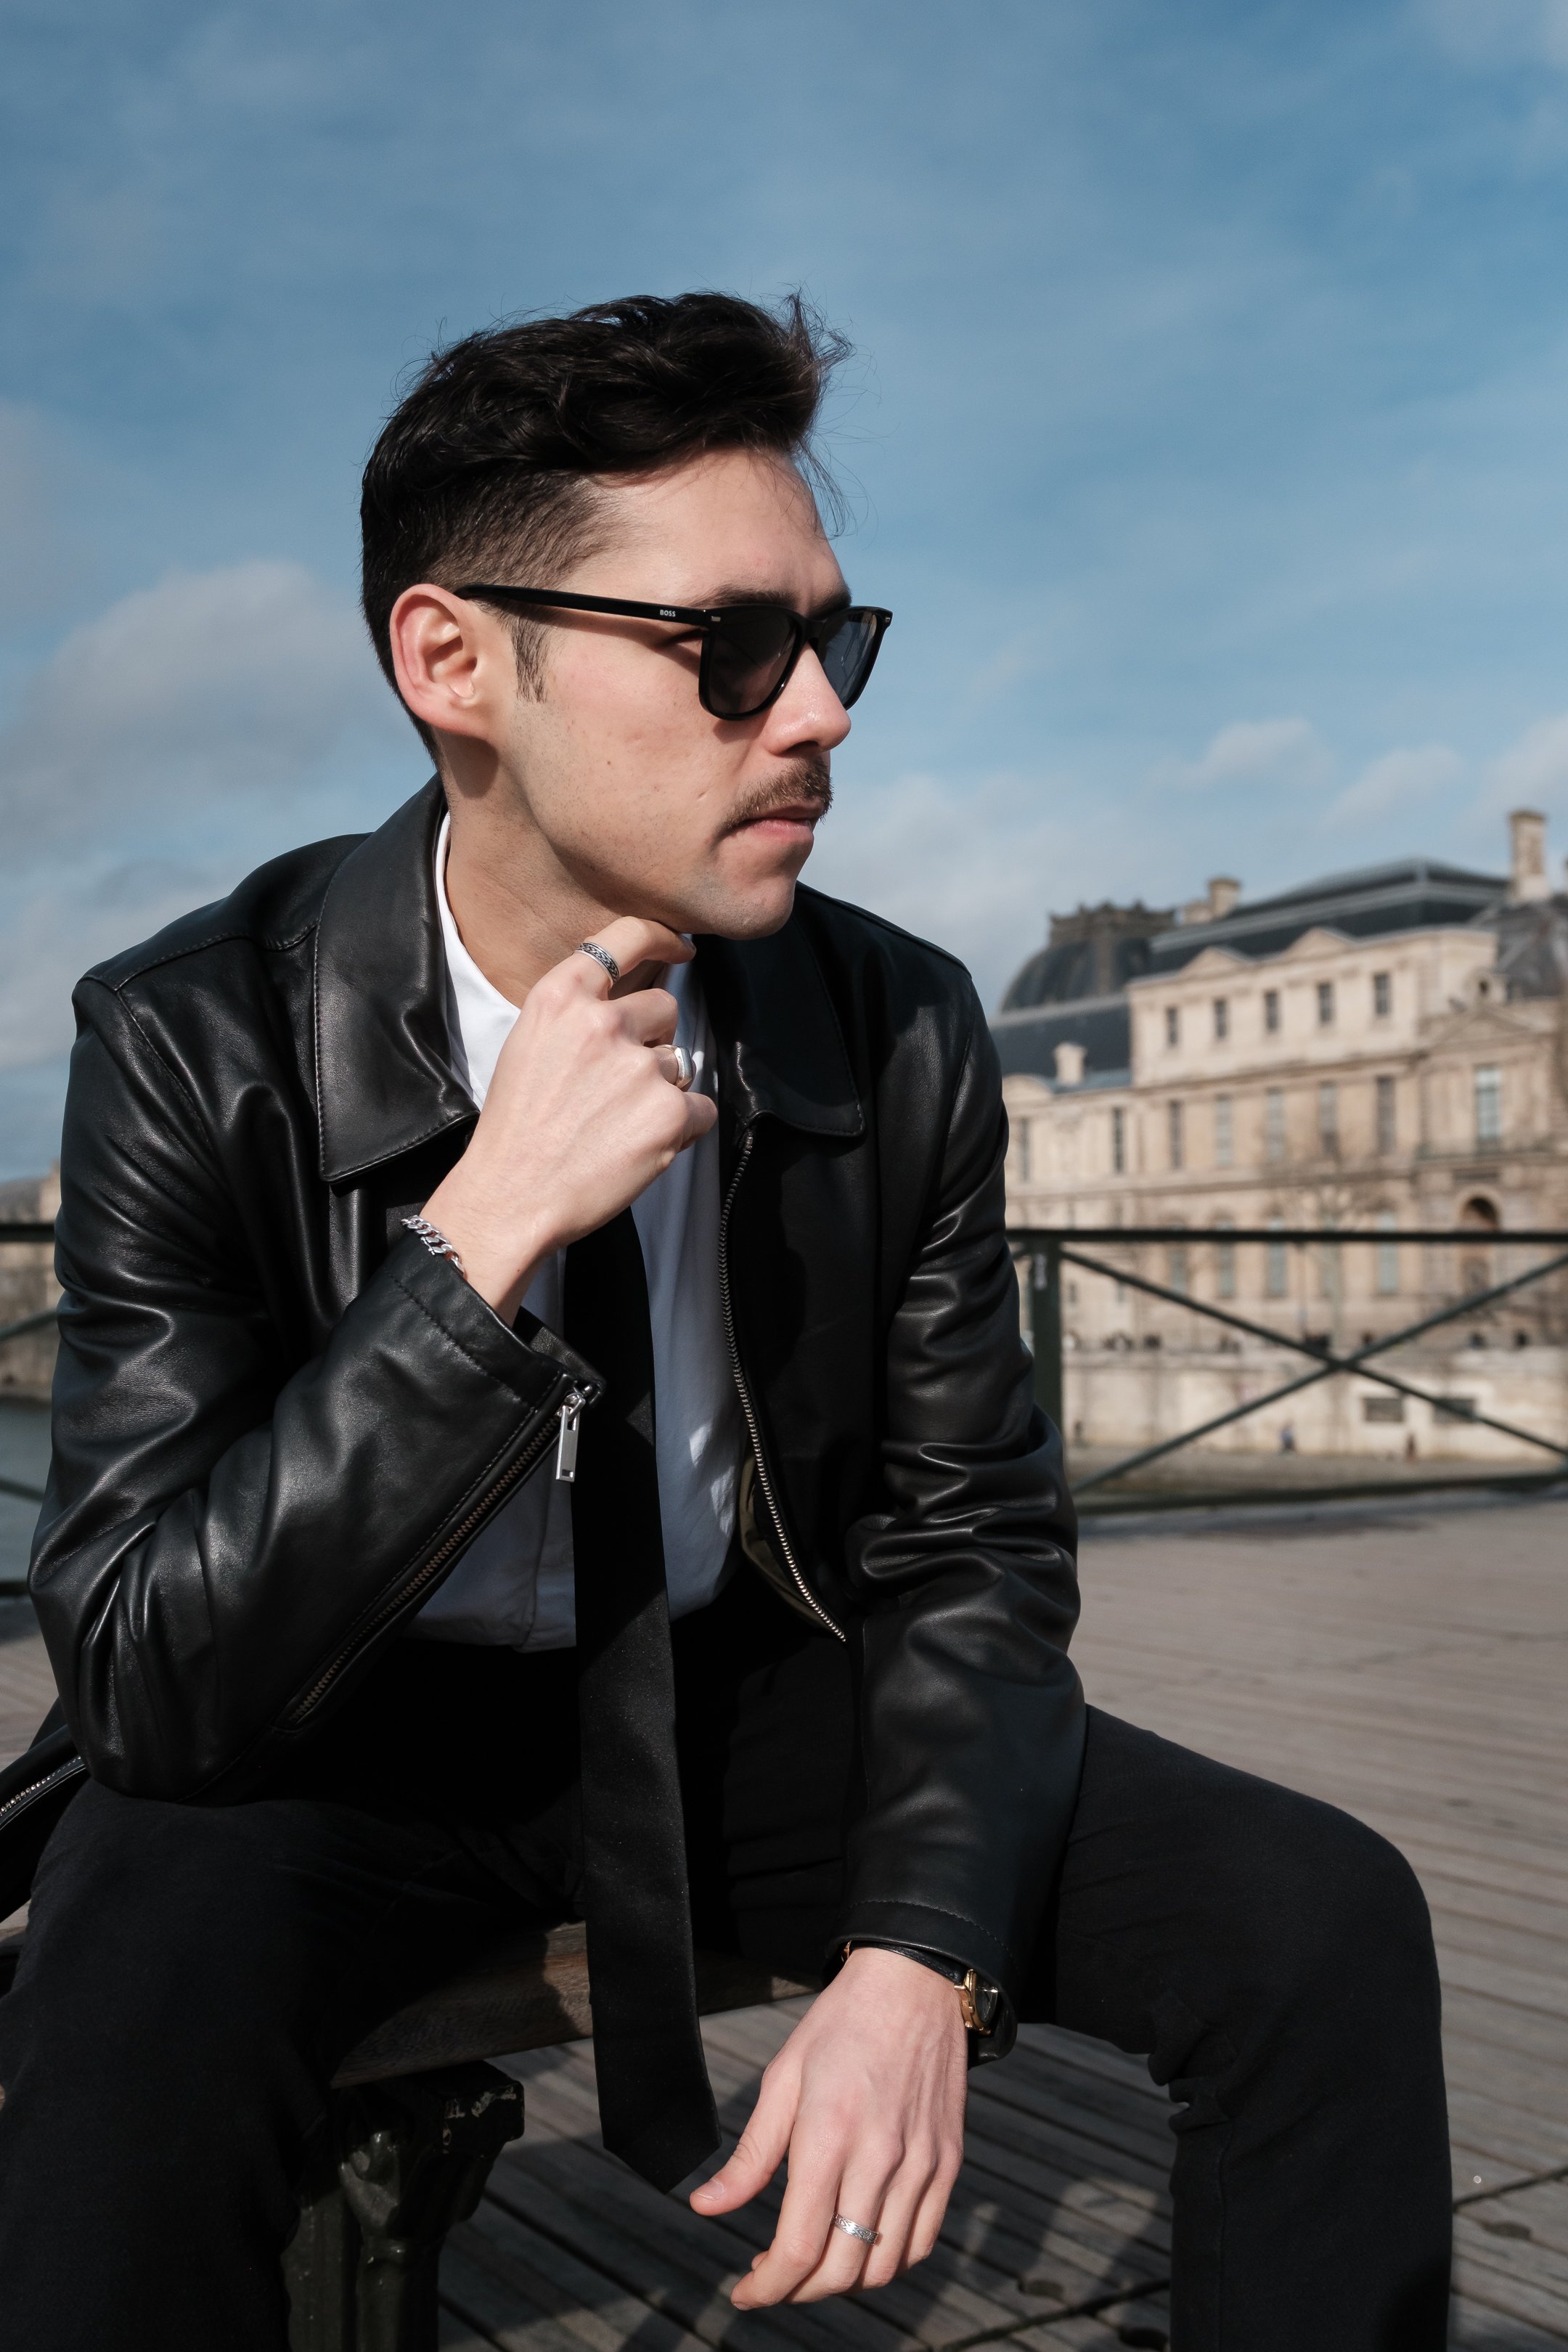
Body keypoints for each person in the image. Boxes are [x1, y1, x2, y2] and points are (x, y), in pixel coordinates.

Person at [0, 293, 1450, 2351]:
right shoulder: (193, 1032)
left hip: (731, 1694)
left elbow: (967, 1543)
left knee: (1318, 1918)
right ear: (452, 663)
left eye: (837, 642)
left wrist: (920, 1953)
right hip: (329, 1718)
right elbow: (149, 1673)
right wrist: (478, 1241)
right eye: (733, 648)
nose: (822, 715)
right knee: (118, 2014)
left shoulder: (893, 1016)